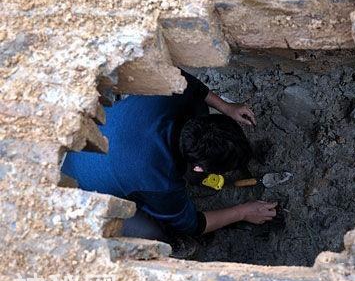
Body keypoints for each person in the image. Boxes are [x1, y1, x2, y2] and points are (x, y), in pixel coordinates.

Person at [62, 70, 277, 246]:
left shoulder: (165, 97)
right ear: (199, 168)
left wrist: (226, 106)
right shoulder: (161, 181)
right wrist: (243, 211)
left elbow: (189, 82)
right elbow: (192, 225)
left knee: (197, 103)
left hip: (82, 139)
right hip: (76, 191)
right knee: (153, 234)